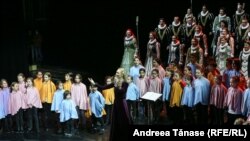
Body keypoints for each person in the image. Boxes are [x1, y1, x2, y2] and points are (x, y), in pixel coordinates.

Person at [88, 67, 132, 141]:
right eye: (116, 72)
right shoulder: (115, 82)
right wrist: (94, 83)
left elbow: (122, 92)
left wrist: (118, 85)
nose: (116, 73)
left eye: (118, 72)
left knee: (123, 120)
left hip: (122, 103)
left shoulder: (125, 83)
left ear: (122, 73)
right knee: (116, 120)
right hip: (116, 103)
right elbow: (103, 87)